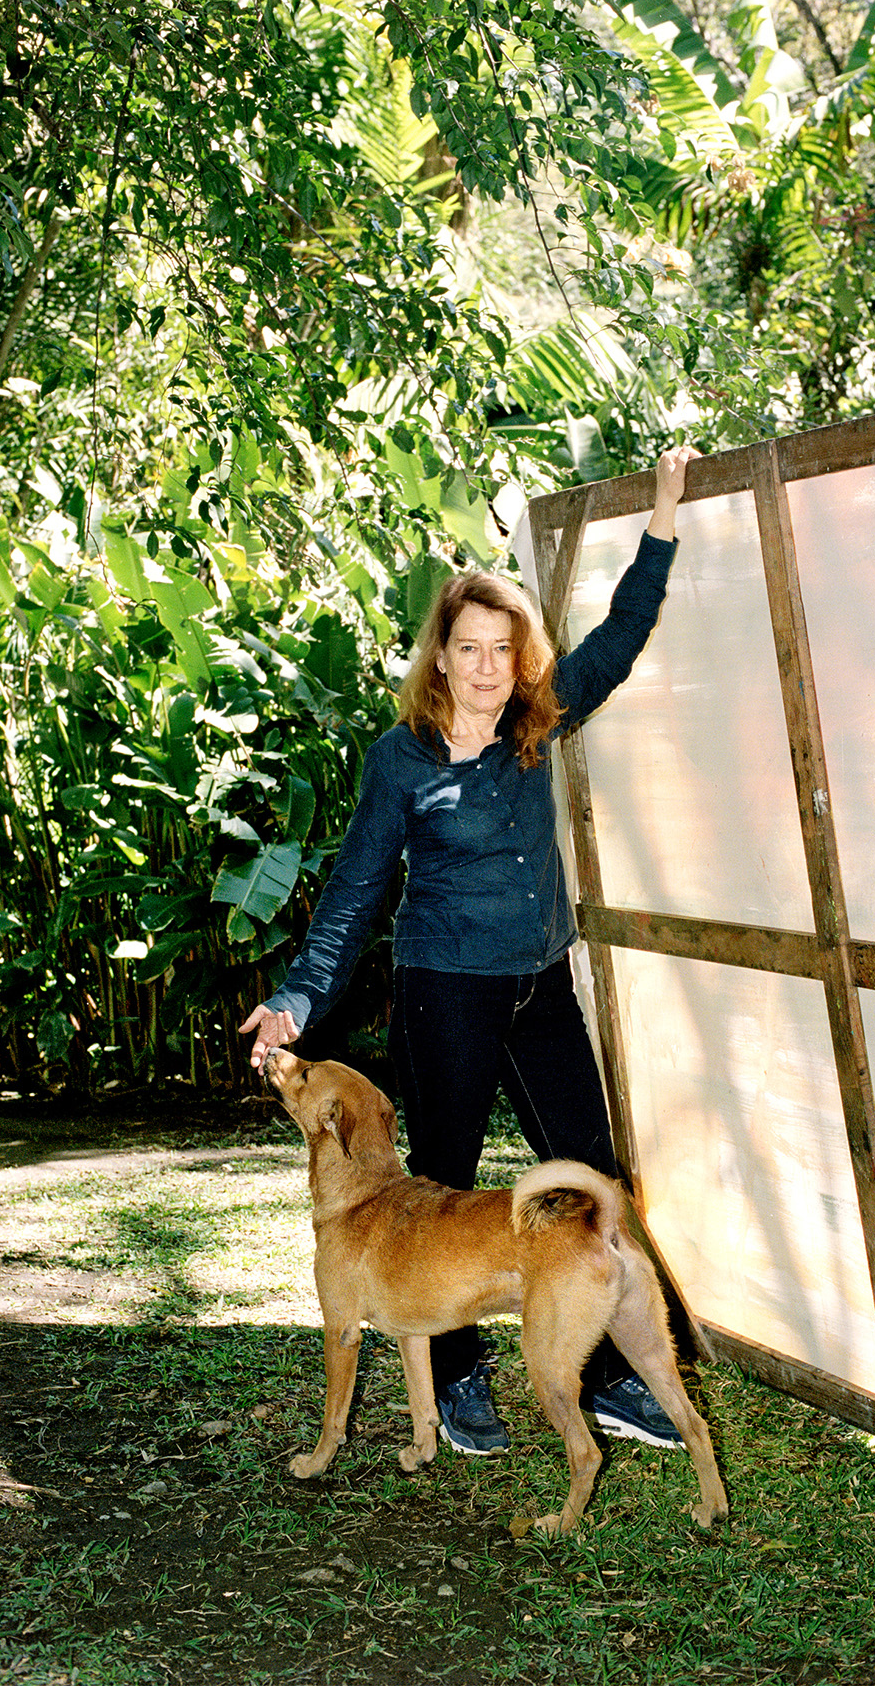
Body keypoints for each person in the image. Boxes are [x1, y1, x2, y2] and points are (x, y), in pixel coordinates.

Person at [240, 445, 700, 1459]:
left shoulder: (539, 720)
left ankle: (621, 1376)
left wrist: (663, 512)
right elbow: (357, 890)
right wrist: (297, 1002)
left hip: (537, 987)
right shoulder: (399, 760)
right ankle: (455, 1380)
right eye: (470, 648)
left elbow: (621, 637)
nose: (489, 666)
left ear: (519, 655)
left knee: (589, 1175)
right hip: (444, 991)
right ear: (439, 657)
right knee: (435, 1188)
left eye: (505, 647)